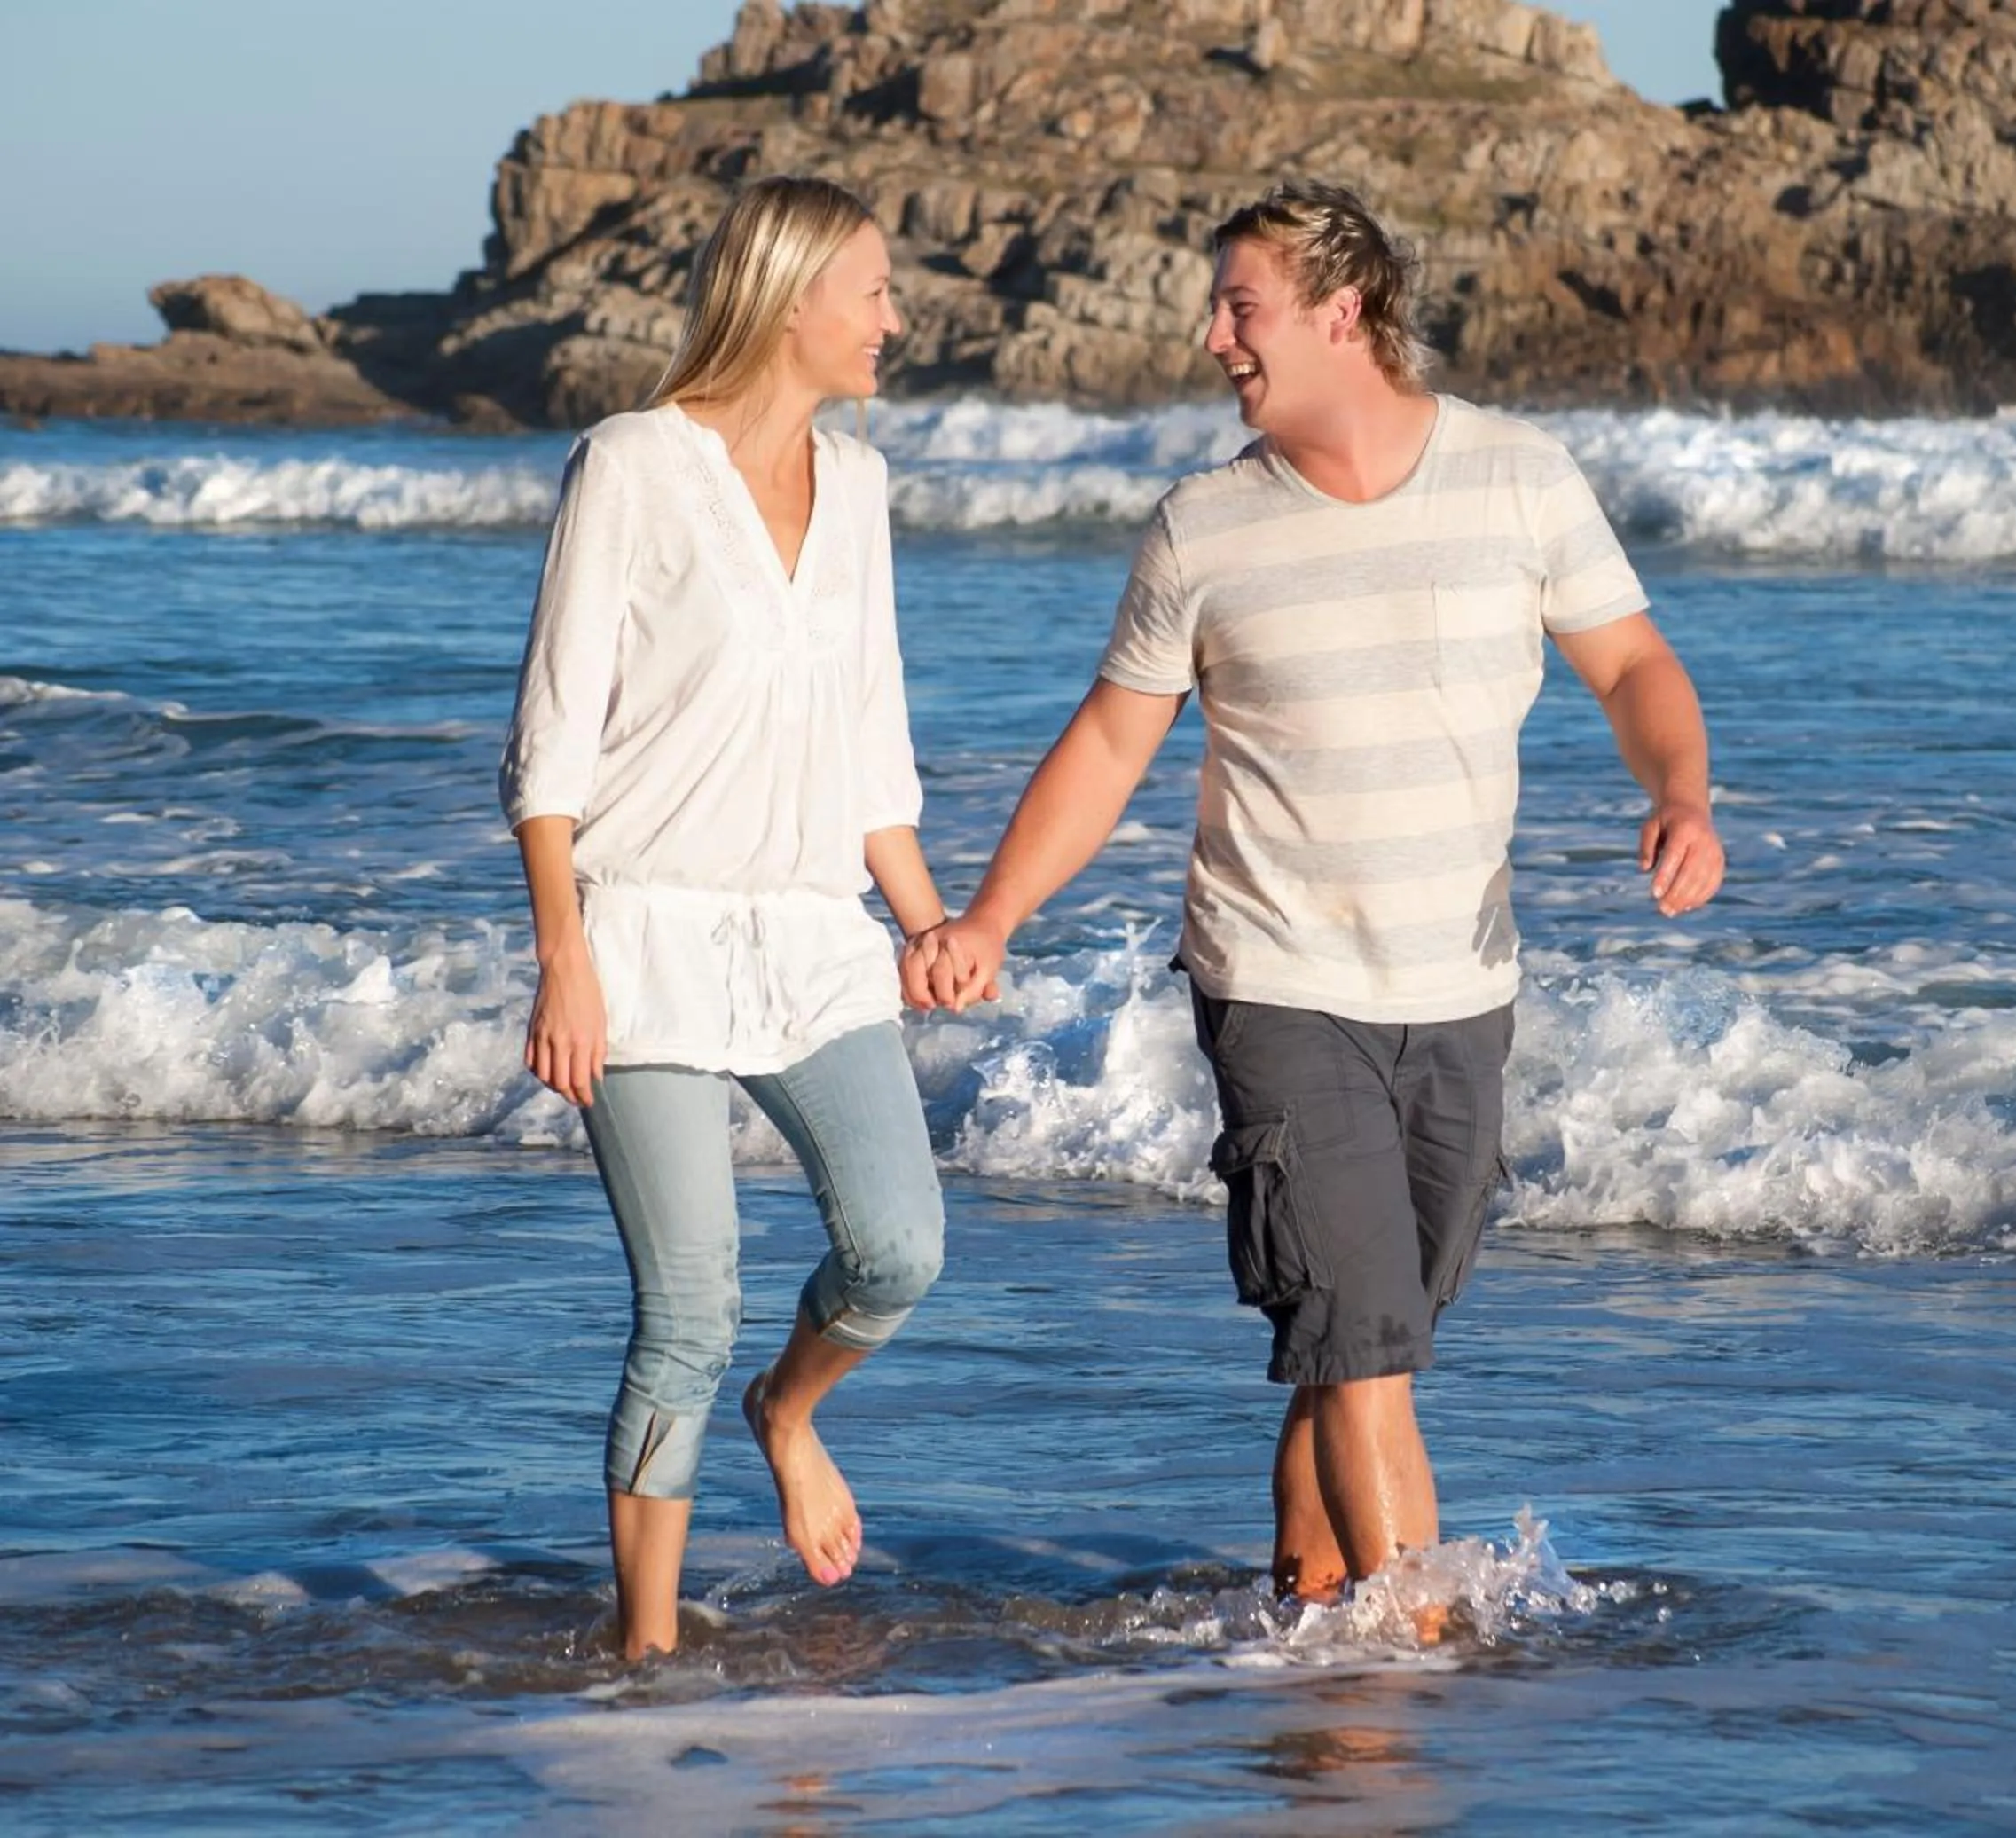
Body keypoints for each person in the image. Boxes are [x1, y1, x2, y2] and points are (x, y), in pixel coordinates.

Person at [905, 180, 1723, 1606]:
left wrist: (1681, 795)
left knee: (1369, 1343)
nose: (1213, 335)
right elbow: (1110, 743)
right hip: (1277, 983)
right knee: (1365, 1353)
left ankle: (1308, 1630)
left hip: (1462, 988)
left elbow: (1636, 667)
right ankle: (1422, 1658)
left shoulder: (1520, 479)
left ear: (1344, 313)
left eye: (1242, 307)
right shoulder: (1201, 530)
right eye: (1215, 306)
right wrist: (989, 917)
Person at [500, 175, 948, 1660]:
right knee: (687, 1310)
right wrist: (567, 958)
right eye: (876, 290)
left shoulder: (865, 488)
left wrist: (929, 919)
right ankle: (647, 1657)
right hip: (642, 941)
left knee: (900, 1245)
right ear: (792, 295)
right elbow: (551, 747)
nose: (897, 318)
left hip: (815, 938)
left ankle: (792, 1411)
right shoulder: (629, 465)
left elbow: (870, 741)